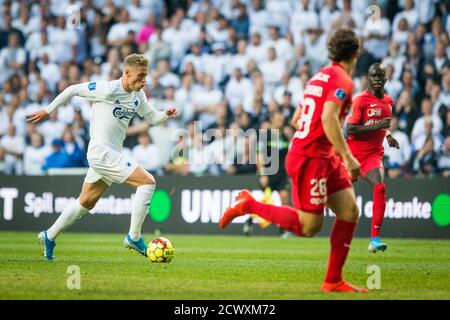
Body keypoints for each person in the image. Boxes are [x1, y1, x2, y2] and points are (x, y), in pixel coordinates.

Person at [219, 28, 367, 293]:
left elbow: (298, 120)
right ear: (356, 52)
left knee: (349, 211)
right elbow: (328, 118)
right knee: (309, 226)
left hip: (321, 154)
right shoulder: (343, 81)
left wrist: (330, 150)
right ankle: (249, 205)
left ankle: (333, 280)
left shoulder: (319, 76)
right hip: (311, 157)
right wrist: (347, 156)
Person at [27, 54, 178, 260]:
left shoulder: (138, 96)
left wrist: (166, 114)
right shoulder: (107, 89)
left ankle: (49, 235)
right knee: (148, 182)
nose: (144, 81)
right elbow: (72, 89)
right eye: (140, 76)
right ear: (126, 73)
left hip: (110, 154)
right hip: (100, 152)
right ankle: (134, 237)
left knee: (86, 202)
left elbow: (153, 118)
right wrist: (48, 110)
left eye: (146, 76)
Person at [345, 63, 400, 253]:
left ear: (385, 79)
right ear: (368, 79)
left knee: (380, 187)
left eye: (380, 76)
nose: (377, 79)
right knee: (332, 192)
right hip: (352, 154)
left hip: (372, 155)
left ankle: (374, 239)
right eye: (373, 76)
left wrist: (388, 135)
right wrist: (377, 127)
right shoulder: (360, 100)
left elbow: (381, 125)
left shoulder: (389, 102)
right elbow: (351, 129)